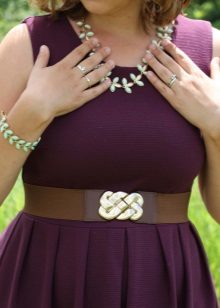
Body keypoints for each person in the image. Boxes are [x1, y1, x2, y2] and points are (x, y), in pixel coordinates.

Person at [0, 0, 219, 307]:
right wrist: (30, 114)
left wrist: (217, 124)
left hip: (164, 280)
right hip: (45, 275)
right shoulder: (28, 45)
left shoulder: (210, 50)